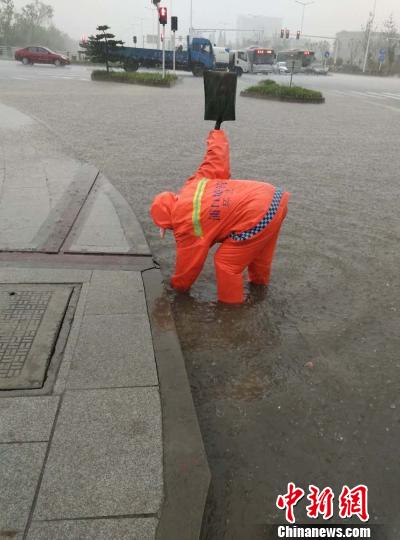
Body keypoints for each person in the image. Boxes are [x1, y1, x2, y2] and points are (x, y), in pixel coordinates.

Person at [150, 130, 290, 304]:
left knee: (226, 264)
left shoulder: (185, 223)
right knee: (258, 253)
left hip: (255, 214)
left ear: (167, 223)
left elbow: (189, 265)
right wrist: (217, 135)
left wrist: (177, 288)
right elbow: (216, 160)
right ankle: (259, 287)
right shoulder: (194, 184)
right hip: (273, 197)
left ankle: (231, 311)